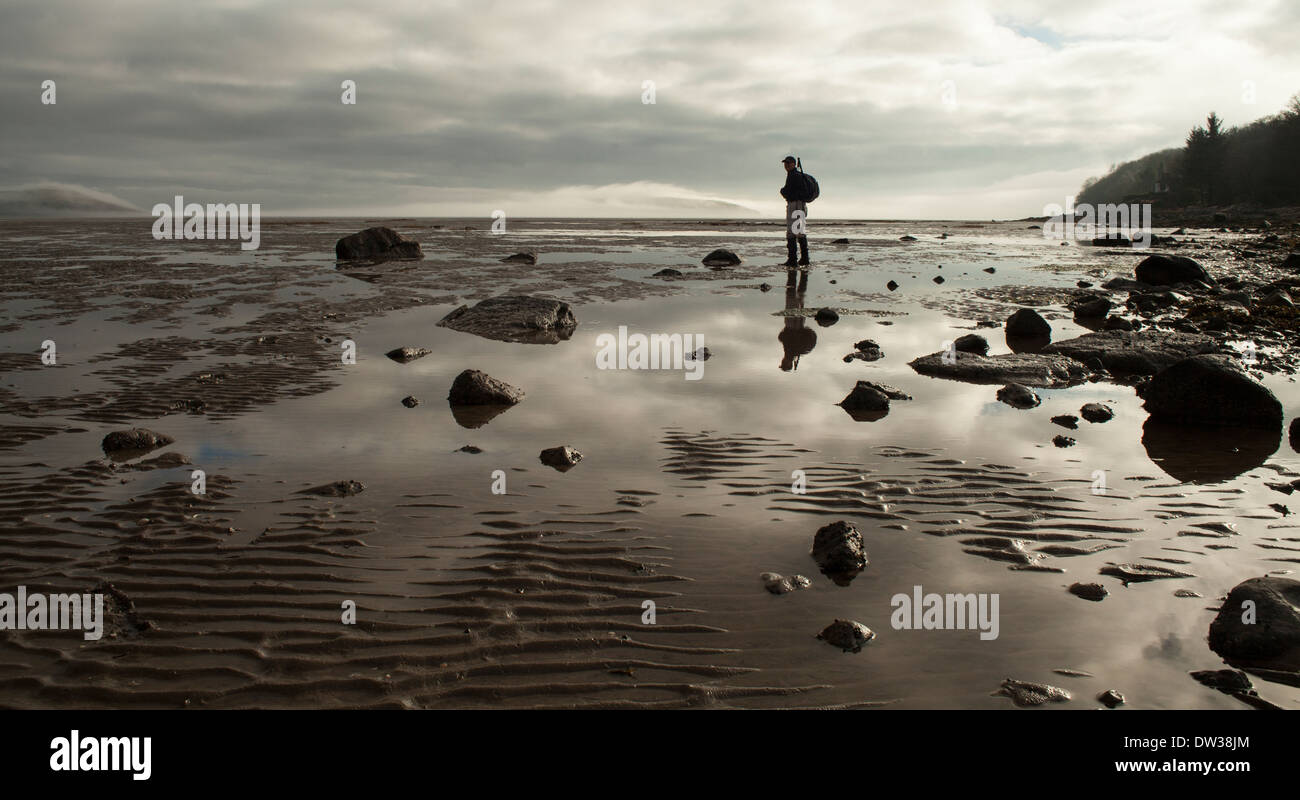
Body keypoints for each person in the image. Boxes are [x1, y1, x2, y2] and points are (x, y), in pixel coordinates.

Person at [780, 155, 810, 267]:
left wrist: (783, 192)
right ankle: (803, 259)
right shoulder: (794, 175)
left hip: (796, 205)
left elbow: (793, 191)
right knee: (799, 232)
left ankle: (794, 260)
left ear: (793, 164)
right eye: (785, 163)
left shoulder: (794, 176)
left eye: (788, 163)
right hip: (799, 205)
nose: (786, 165)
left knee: (793, 232)